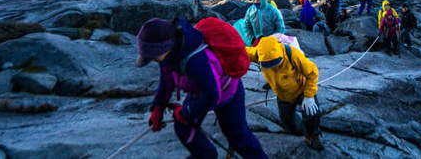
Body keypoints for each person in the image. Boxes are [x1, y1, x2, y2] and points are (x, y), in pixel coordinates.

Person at [135, 17, 268, 159]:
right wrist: (158, 106)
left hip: (227, 93)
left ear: (165, 47)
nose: (153, 60)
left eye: (153, 57)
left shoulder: (196, 60)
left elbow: (212, 95)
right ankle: (206, 155)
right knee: (183, 127)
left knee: (238, 137)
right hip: (200, 91)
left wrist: (185, 113)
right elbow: (166, 81)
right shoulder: (169, 56)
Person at [246, 36, 324, 151]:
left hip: (302, 90)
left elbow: (312, 72)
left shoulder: (292, 54)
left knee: (312, 112)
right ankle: (299, 130)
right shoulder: (258, 53)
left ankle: (311, 136)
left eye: (276, 63)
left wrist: (309, 96)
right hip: (283, 95)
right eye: (269, 65)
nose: (273, 67)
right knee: (286, 121)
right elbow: (242, 51)